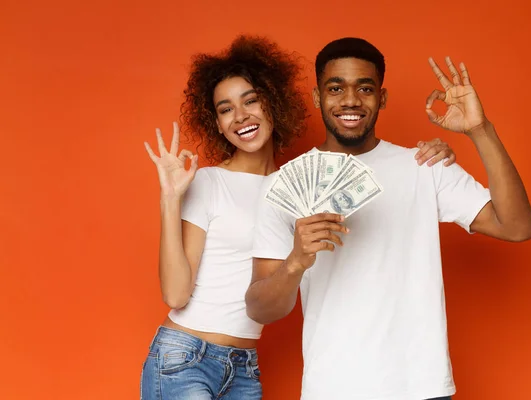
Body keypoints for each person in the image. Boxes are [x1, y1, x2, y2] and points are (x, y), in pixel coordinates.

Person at [140, 35, 456, 400]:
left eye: (251, 101)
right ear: (218, 123)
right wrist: (170, 200)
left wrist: (437, 152)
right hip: (184, 357)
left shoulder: (303, 183)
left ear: (273, 103)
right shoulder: (210, 182)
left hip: (244, 366)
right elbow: (176, 294)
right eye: (226, 109)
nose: (241, 116)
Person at [246, 37, 531, 400]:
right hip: (331, 388)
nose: (350, 100)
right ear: (319, 98)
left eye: (364, 88)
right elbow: (259, 308)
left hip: (422, 386)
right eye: (336, 88)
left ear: (381, 98)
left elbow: (517, 226)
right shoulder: (283, 185)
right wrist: (295, 263)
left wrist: (480, 129)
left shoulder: (425, 167)